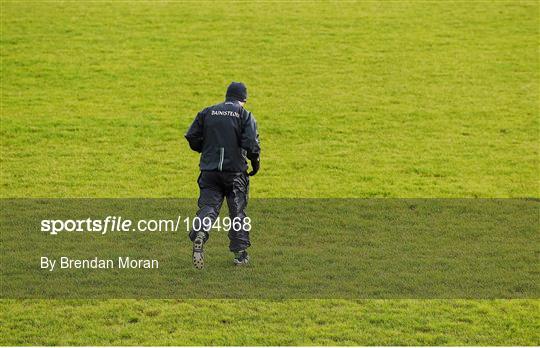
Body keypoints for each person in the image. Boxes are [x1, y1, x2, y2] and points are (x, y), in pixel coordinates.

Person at [185, 82, 260, 269]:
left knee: (209, 206)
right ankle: (240, 255)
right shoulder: (244, 115)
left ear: (227, 96)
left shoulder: (208, 111)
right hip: (235, 173)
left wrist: (206, 149)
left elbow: (192, 136)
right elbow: (251, 142)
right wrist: (255, 162)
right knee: (237, 213)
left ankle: (201, 231)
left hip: (209, 172)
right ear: (243, 99)